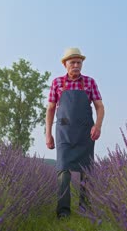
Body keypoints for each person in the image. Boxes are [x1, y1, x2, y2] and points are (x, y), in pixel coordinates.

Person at [45, 47, 105, 219]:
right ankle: (63, 212)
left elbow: (100, 106)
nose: (76, 65)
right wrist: (48, 134)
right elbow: (50, 109)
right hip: (63, 131)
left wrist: (98, 126)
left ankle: (85, 209)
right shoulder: (57, 83)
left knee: (86, 169)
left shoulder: (89, 82)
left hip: (85, 131)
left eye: (79, 62)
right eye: (72, 62)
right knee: (63, 169)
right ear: (65, 64)